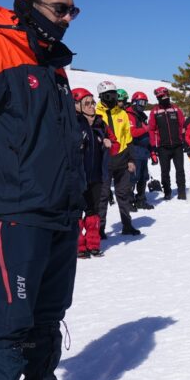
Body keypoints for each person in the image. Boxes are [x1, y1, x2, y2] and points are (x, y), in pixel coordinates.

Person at [0, 0, 99, 380]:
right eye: (59, 8)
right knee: (14, 318)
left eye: (73, 10)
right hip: (14, 213)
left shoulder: (51, 63)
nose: (68, 18)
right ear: (26, 1)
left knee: (49, 314)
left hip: (56, 213)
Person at [95, 80, 140, 237]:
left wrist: (131, 160)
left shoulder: (122, 114)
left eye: (114, 94)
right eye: (109, 95)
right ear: (102, 96)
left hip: (121, 159)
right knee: (102, 196)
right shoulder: (95, 113)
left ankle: (127, 225)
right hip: (103, 161)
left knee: (124, 194)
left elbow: (128, 139)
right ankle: (99, 229)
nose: (113, 98)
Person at [73, 88, 110, 258]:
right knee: (77, 212)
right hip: (77, 177)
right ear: (76, 105)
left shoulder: (100, 124)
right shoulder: (72, 123)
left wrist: (109, 143)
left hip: (96, 176)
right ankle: (78, 245)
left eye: (92, 102)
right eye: (86, 103)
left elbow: (114, 145)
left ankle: (93, 244)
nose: (91, 106)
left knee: (93, 211)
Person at [149, 86, 187, 200]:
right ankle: (167, 192)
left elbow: (183, 125)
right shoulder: (155, 111)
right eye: (161, 97)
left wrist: (184, 140)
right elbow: (151, 129)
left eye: (166, 96)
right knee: (165, 171)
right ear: (158, 98)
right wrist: (153, 146)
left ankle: (181, 192)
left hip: (177, 145)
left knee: (180, 170)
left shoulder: (175, 109)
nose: (164, 98)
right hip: (163, 147)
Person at [127, 90, 154, 209]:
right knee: (133, 177)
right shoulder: (130, 115)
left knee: (144, 176)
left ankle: (141, 200)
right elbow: (132, 132)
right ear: (134, 102)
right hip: (135, 150)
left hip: (143, 151)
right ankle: (128, 201)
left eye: (145, 102)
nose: (143, 105)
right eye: (141, 102)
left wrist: (152, 150)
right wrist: (146, 129)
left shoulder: (141, 116)